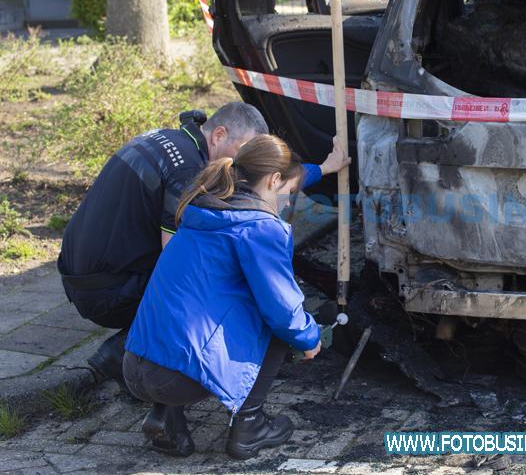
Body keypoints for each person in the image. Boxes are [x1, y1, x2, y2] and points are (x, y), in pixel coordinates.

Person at [57, 103, 348, 390]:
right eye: (244, 148)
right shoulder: (187, 173)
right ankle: (125, 353)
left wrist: (324, 168)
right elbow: (176, 268)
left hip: (79, 274)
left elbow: (271, 179)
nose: (245, 162)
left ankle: (153, 380)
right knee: (230, 290)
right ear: (219, 134)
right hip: (105, 292)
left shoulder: (174, 140)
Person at [123, 134, 322, 459]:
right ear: (273, 180)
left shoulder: (202, 212)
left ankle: (167, 417)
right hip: (173, 378)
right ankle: (250, 426)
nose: (287, 201)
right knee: (275, 323)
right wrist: (309, 336)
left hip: (134, 365)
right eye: (288, 192)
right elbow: (283, 311)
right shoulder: (260, 229)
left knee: (190, 309)